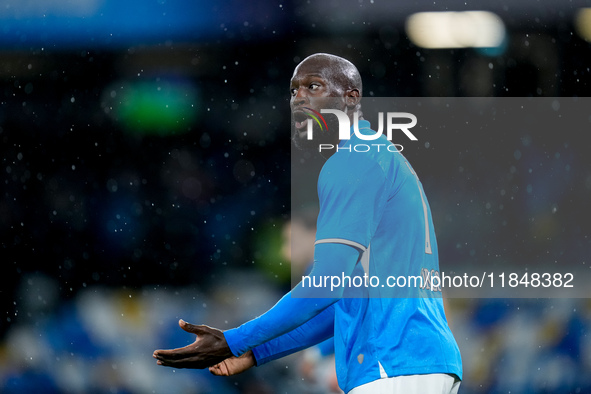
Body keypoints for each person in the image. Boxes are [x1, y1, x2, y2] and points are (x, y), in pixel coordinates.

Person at [153, 53, 463, 393]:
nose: (298, 98)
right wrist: (257, 351)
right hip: (423, 363)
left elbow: (325, 285)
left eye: (313, 86)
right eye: (293, 90)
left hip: (392, 366)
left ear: (351, 98)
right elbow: (347, 303)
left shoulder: (352, 162)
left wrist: (234, 340)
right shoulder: (380, 156)